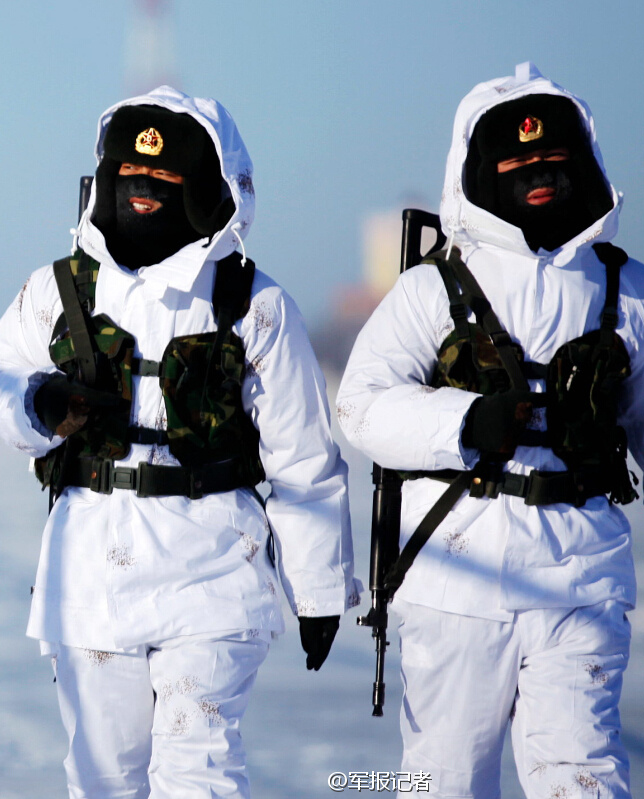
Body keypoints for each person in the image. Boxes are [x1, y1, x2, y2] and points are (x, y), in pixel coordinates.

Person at [337, 62, 644, 799]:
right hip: (456, 581)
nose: (538, 175)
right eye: (517, 162)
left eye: (554, 161)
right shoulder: (434, 286)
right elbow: (361, 405)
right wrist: (466, 421)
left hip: (581, 580)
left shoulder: (631, 291)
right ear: (479, 170)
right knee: (443, 784)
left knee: (584, 780)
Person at [0, 85, 361, 798]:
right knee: (102, 780)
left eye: (166, 180)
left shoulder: (254, 305)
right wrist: (36, 403)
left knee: (199, 774)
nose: (145, 189)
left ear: (207, 190)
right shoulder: (58, 290)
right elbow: (4, 383)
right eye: (132, 176)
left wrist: (319, 588)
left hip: (215, 571)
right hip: (90, 574)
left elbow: (304, 461)